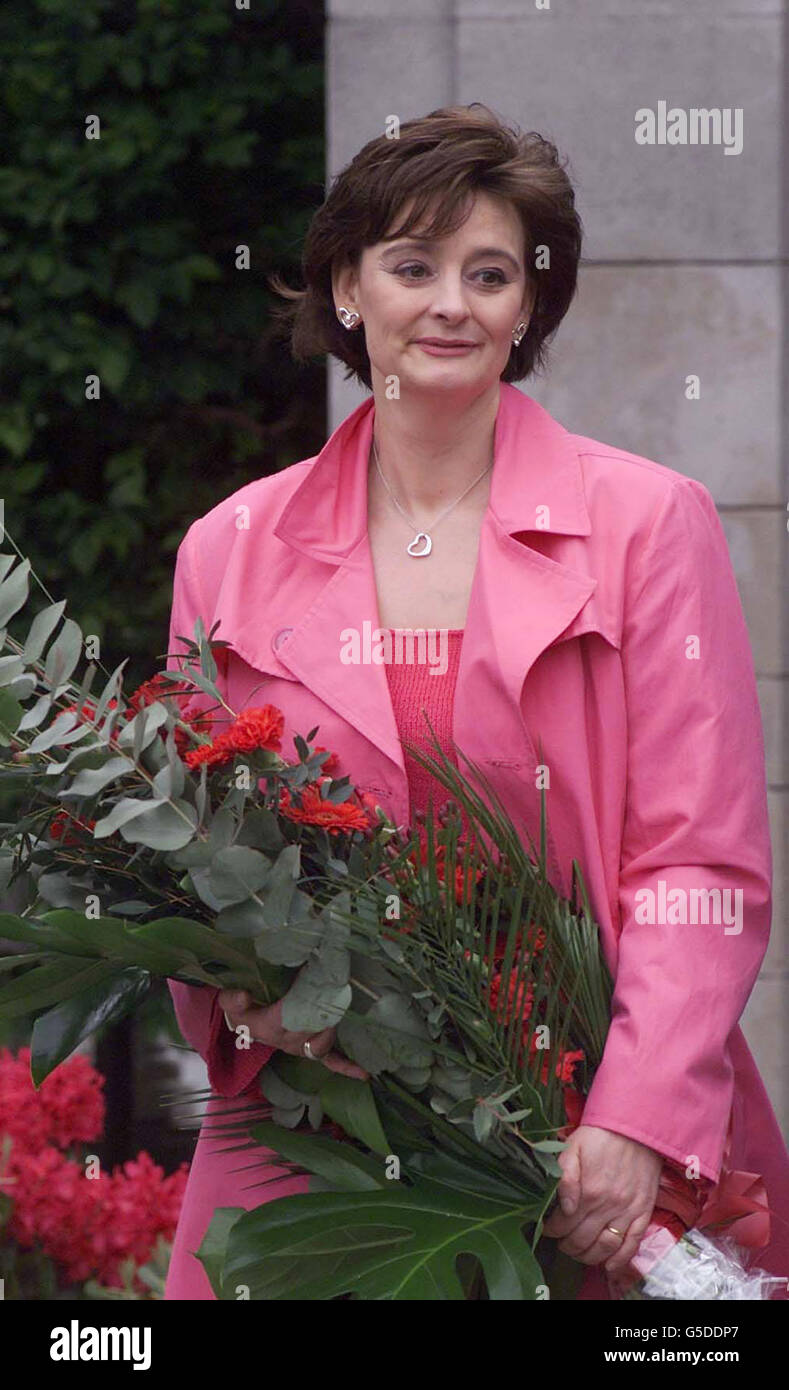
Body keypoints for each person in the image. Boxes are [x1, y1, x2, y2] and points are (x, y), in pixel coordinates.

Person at [163, 103, 789, 1300]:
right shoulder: (229, 549)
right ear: (347, 287)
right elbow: (191, 852)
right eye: (413, 264)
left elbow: (701, 864)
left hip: (588, 1161)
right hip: (315, 1139)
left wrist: (637, 1118)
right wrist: (236, 990)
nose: (452, 302)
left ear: (528, 308)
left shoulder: (651, 523)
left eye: (490, 272)